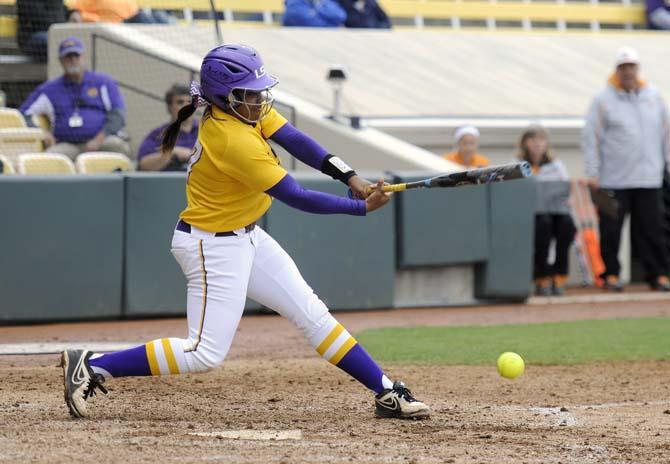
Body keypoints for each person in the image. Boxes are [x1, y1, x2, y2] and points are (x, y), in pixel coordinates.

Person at [60, 44, 430, 421]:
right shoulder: (232, 139)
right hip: (211, 246)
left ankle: (385, 391)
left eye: (257, 90)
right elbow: (296, 196)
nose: (259, 99)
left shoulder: (244, 113)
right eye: (248, 92)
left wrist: (349, 176)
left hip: (246, 237)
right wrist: (360, 206)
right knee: (204, 353)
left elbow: (297, 141)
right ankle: (92, 365)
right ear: (224, 97)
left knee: (312, 314)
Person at [582, 47, 670, 292]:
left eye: (632, 66)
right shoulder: (603, 100)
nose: (628, 71)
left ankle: (659, 274)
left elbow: (666, 134)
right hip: (613, 179)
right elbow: (591, 138)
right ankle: (611, 274)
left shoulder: (654, 97)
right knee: (611, 230)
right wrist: (593, 172)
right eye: (623, 67)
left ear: (637, 69)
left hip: (649, 177)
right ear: (617, 70)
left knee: (653, 230)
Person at [19, 37, 130, 159]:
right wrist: (42, 133)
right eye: (68, 57)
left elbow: (118, 115)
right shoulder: (49, 89)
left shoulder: (103, 82)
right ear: (60, 60)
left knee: (117, 145)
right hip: (67, 144)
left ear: (83, 57)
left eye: (76, 56)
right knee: (48, 159)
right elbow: (22, 114)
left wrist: (99, 139)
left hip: (102, 140)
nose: (73, 60)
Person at [519, 126, 575, 296]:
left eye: (541, 140)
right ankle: (541, 276)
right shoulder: (518, 164)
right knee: (543, 225)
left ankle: (559, 275)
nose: (537, 144)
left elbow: (565, 188)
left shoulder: (556, 165)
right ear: (525, 143)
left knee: (567, 225)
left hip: (555, 210)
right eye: (533, 139)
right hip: (531, 213)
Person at [137, 84, 198, 171]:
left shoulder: (207, 132)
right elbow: (143, 165)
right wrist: (170, 153)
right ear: (169, 107)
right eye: (180, 102)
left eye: (190, 102)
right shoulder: (158, 134)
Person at [16, 0, 80, 62]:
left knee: (79, 38)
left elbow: (60, 9)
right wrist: (63, 27)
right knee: (56, 41)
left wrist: (72, 13)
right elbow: (39, 19)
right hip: (32, 37)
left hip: (55, 33)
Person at [68, 0, 173, 24]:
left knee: (160, 15)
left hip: (135, 16)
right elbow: (76, 14)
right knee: (142, 17)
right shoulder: (84, 4)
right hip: (121, 24)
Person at [282, 0, 347, 27]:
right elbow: (300, 18)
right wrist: (331, 24)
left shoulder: (321, 1)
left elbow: (340, 15)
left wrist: (316, 8)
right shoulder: (294, 2)